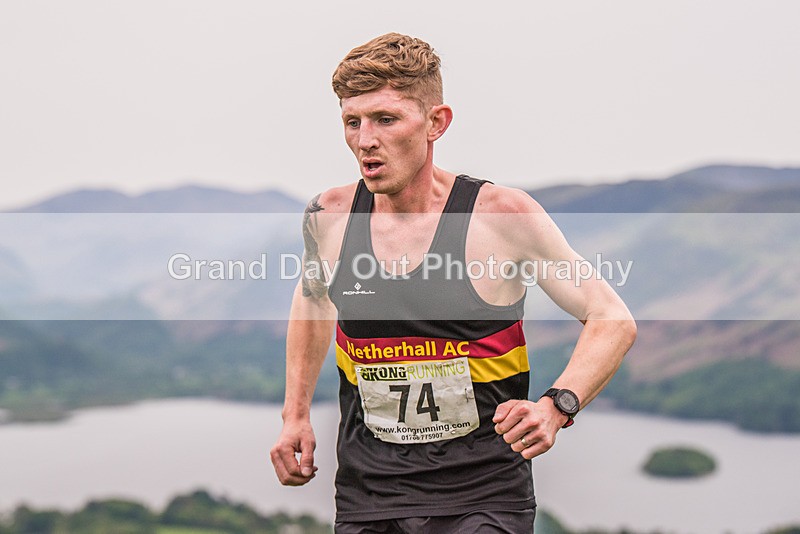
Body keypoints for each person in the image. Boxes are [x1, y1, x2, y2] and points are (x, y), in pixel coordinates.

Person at [270, 32, 637, 533]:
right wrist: (295, 415)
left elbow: (611, 317)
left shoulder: (501, 217)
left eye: (386, 119)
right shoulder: (328, 217)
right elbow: (314, 302)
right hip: (369, 494)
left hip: (484, 495)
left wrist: (556, 407)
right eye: (352, 122)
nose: (365, 140)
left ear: (436, 123)